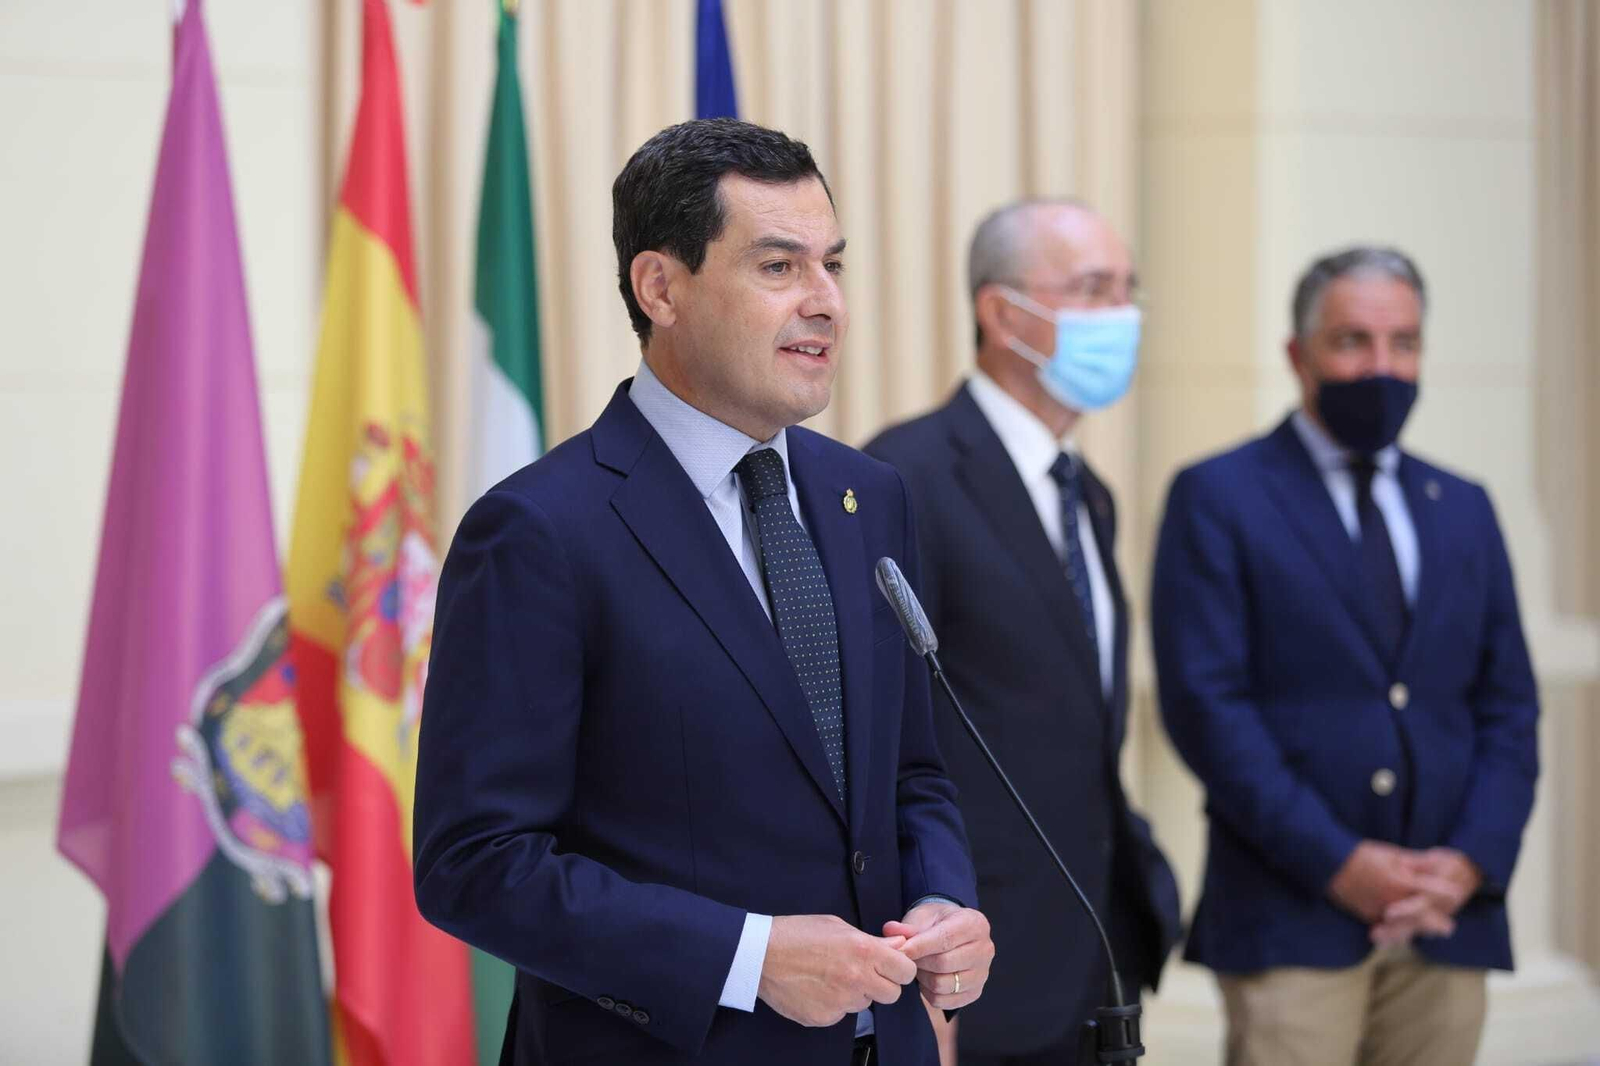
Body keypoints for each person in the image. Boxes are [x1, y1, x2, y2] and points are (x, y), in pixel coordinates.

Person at [412, 118, 993, 1066]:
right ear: (661, 287)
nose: (827, 303)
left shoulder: (870, 498)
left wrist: (941, 898)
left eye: (833, 266)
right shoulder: (541, 531)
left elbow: (910, 774)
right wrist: (747, 956)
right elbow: (475, 864)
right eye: (779, 268)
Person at [1151, 246, 1540, 1066]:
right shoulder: (1220, 495)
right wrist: (1339, 863)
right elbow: (1206, 708)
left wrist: (1470, 862)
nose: (1383, 366)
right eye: (1353, 341)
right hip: (1292, 917)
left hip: (1444, 922)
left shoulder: (1463, 507)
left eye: (1404, 343)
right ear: (1299, 355)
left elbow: (1508, 706)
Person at [865, 199, 1181, 1066]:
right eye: (1091, 289)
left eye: (1127, 290)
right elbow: (888, 742)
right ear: (1004, 313)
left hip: (1095, 957)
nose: (1121, 313)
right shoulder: (906, 475)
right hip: (975, 969)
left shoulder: (1089, 492)